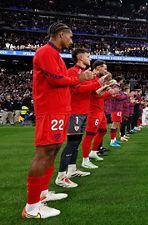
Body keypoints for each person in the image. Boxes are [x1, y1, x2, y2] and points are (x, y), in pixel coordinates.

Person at [22, 22, 94, 219]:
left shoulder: (55, 55)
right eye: (70, 37)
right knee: (44, 152)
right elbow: (56, 80)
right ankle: (31, 207)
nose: (71, 40)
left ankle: (42, 194)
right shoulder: (45, 52)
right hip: (50, 110)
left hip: (59, 110)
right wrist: (81, 78)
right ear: (61, 34)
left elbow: (60, 80)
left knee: (53, 150)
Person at [55, 48, 101, 188]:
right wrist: (97, 83)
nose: (90, 58)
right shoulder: (72, 72)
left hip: (83, 111)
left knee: (76, 142)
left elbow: (90, 91)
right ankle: (61, 176)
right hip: (74, 112)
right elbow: (77, 90)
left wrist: (101, 84)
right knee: (72, 143)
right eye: (88, 56)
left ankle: (72, 170)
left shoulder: (84, 73)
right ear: (80, 57)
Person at [81, 60, 117, 169]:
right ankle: (85, 160)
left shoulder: (98, 79)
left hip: (100, 110)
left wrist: (109, 90)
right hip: (93, 111)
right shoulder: (92, 78)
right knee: (90, 135)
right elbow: (96, 95)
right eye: (104, 68)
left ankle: (93, 152)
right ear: (98, 68)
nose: (106, 71)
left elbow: (100, 94)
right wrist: (109, 92)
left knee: (103, 131)